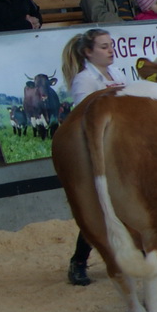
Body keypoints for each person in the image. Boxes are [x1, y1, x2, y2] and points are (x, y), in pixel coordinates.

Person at [61, 28, 127, 285]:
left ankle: (145, 253)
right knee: (99, 207)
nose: (110, 50)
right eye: (103, 46)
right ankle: (78, 261)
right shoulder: (84, 80)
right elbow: (82, 119)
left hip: (122, 146)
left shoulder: (117, 73)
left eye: (111, 45)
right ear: (88, 52)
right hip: (97, 149)